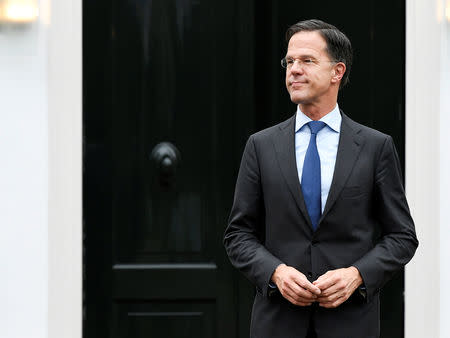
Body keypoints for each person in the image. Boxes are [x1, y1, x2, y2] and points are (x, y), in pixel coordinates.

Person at [223, 19, 418, 338]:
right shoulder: (260, 146)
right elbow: (237, 235)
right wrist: (276, 273)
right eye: (289, 61)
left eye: (307, 61)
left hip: (351, 323)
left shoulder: (374, 147)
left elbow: (402, 237)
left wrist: (357, 275)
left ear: (337, 72)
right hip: (277, 324)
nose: (294, 69)